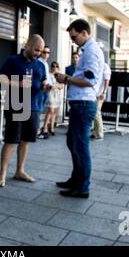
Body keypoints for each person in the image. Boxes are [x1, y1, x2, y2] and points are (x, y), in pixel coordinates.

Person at [54, 19, 104, 198]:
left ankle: (82, 186)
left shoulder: (91, 51)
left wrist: (66, 79)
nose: (73, 41)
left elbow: (90, 81)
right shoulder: (87, 50)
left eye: (74, 37)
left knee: (81, 146)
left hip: (83, 104)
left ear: (84, 32)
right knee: (73, 142)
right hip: (80, 104)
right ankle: (76, 180)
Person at [0, 35, 52, 187]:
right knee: (11, 140)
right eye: (36, 49)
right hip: (16, 105)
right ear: (27, 45)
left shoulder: (40, 64)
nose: (38, 53)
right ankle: (2, 174)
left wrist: (46, 86)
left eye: (40, 51)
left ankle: (20, 171)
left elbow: (43, 80)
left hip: (34, 107)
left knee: (26, 140)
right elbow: (0, 79)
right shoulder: (13, 60)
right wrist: (19, 84)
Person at [39, 61, 64, 137]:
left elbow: (62, 86)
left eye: (56, 66)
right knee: (51, 110)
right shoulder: (48, 75)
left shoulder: (59, 75)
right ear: (51, 67)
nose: (55, 67)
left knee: (54, 111)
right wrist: (56, 86)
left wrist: (55, 86)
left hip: (57, 94)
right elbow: (48, 85)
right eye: (53, 66)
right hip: (50, 93)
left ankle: (52, 127)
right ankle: (45, 127)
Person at [91, 62, 111, 141]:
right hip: (93, 93)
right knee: (94, 112)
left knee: (97, 112)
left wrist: (104, 92)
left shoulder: (105, 66)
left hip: (100, 93)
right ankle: (95, 132)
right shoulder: (94, 65)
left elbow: (107, 80)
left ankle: (100, 134)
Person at [37, 46, 52, 139]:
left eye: (48, 52)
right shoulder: (38, 62)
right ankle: (37, 130)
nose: (46, 54)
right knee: (38, 110)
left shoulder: (45, 64)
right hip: (40, 89)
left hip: (46, 89)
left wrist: (50, 85)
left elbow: (47, 77)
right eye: (44, 52)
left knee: (41, 109)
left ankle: (38, 130)